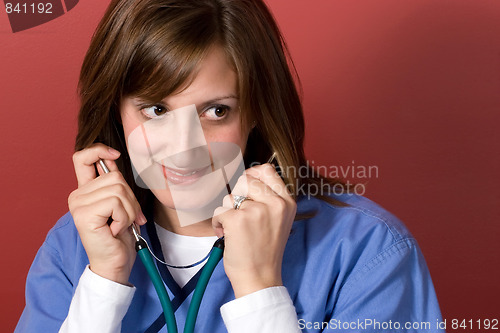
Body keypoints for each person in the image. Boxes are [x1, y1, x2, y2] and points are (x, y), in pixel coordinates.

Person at [15, 0, 444, 332]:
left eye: (216, 111)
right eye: (156, 109)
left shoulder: (368, 253)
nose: (184, 149)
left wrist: (259, 287)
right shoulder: (73, 249)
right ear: (116, 112)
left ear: (256, 111)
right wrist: (104, 283)